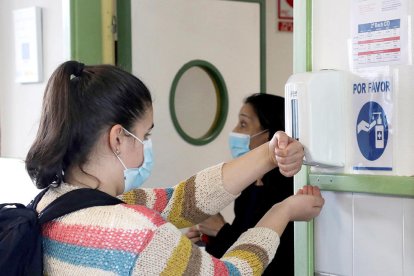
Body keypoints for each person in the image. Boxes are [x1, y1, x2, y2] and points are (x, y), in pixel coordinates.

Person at [25, 61, 324, 275]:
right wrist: (281, 213)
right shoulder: (139, 234)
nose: (146, 146)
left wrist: (270, 155)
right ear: (118, 138)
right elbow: (231, 273)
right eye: (144, 136)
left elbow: (185, 200)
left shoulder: (51, 204)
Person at [186, 93, 295, 275]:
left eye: (243, 124)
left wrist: (220, 231)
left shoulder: (287, 190)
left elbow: (270, 259)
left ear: (270, 135)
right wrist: (207, 240)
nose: (235, 131)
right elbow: (235, 255)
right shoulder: (249, 186)